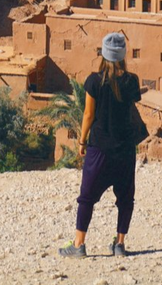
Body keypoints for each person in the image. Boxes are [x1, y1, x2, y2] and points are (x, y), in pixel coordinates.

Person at [59, 32, 143, 259]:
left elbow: (88, 114)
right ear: (123, 55)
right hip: (125, 149)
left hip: (99, 148)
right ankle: (119, 244)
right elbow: (129, 107)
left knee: (87, 197)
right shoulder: (132, 81)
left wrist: (82, 140)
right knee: (125, 198)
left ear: (103, 55)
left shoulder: (94, 81)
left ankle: (79, 245)